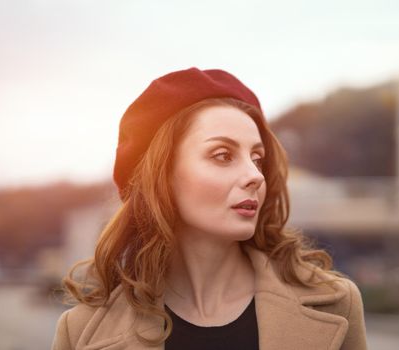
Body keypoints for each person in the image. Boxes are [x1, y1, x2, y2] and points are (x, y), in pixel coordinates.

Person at [51, 67, 368, 350]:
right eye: (222, 155)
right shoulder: (80, 332)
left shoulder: (337, 304)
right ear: (161, 176)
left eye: (257, 159)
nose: (255, 176)